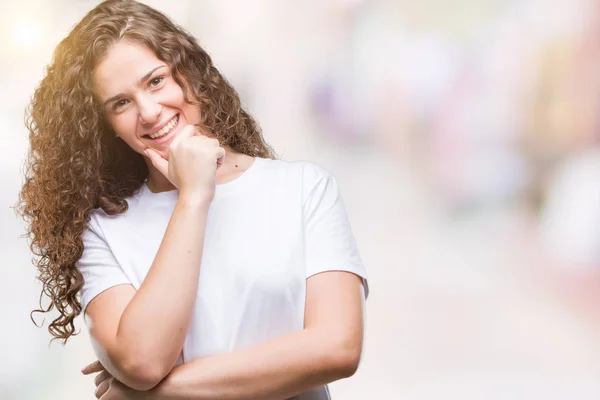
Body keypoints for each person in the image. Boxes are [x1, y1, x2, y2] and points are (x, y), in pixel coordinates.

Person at [17, 1, 369, 399]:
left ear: (189, 71)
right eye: (121, 103)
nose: (149, 112)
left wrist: (148, 394)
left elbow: (338, 348)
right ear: (105, 125)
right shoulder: (102, 229)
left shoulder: (304, 189)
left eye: (155, 81)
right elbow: (143, 361)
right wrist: (194, 197)